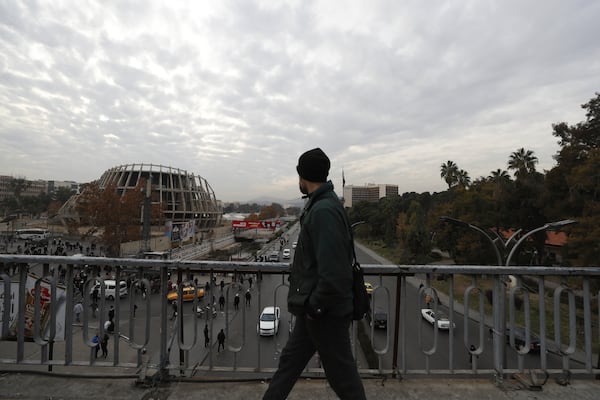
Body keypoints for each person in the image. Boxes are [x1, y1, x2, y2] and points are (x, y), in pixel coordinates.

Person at [262, 148, 366, 400]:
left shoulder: (323, 211)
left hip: (325, 313)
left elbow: (334, 272)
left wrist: (315, 306)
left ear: (303, 176)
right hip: (316, 311)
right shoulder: (322, 205)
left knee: (344, 379)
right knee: (289, 365)